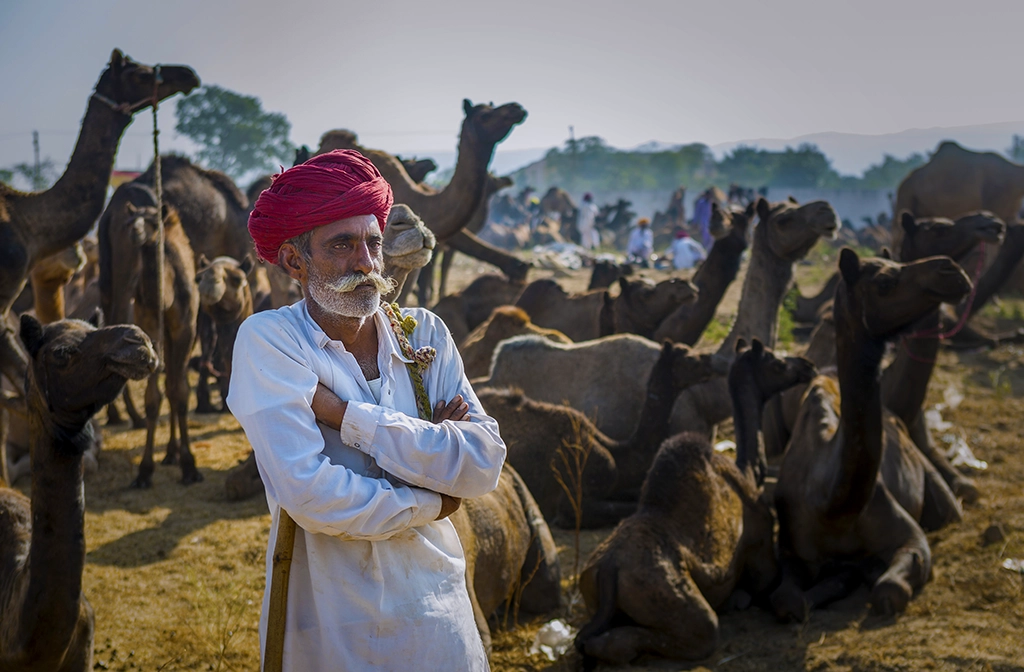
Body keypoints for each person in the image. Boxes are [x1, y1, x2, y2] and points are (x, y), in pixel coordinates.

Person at [227, 149, 506, 671]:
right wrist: (433, 496)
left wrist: (345, 417)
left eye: (373, 244)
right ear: (294, 261)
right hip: (331, 624)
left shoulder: (424, 334)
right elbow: (312, 495)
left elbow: (484, 463)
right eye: (342, 245)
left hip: (438, 614)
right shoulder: (271, 342)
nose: (366, 263)